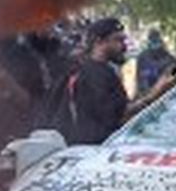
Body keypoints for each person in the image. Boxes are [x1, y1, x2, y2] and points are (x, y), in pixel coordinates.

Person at [54, 17, 130, 145]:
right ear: (98, 41)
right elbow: (115, 118)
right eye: (118, 40)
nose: (124, 46)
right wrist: (153, 94)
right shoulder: (92, 75)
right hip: (96, 149)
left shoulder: (103, 70)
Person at [135, 29, 176, 94]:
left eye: (156, 41)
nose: (156, 45)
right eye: (153, 41)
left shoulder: (168, 56)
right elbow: (140, 80)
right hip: (150, 92)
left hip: (168, 90)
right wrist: (148, 92)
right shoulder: (142, 57)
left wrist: (170, 77)